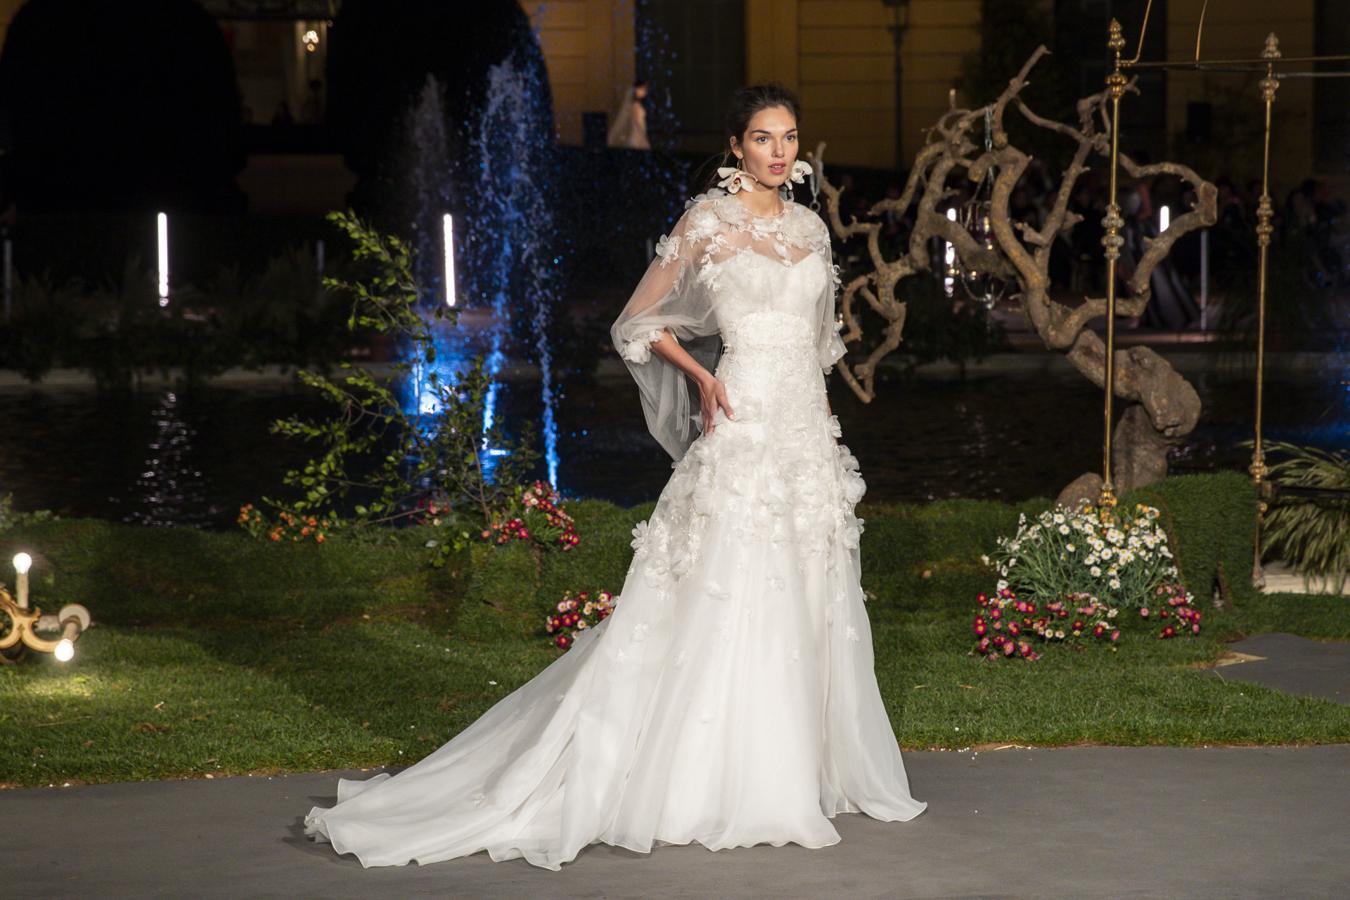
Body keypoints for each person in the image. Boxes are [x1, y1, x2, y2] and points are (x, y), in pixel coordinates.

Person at [303, 82, 927, 871]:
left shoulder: (810, 228)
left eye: (790, 137)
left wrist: (823, 437)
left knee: (808, 585)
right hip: (741, 420)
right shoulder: (706, 222)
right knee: (728, 583)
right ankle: (707, 775)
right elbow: (637, 322)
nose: (779, 151)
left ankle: (797, 766)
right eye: (763, 138)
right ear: (736, 145)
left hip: (804, 430)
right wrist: (701, 378)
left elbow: (818, 345)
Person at [606, 79, 651, 150]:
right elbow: (638, 124)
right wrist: (644, 140)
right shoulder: (635, 106)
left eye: (645, 90)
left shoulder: (636, 105)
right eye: (642, 89)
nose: (645, 92)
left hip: (637, 135)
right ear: (636, 89)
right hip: (637, 136)